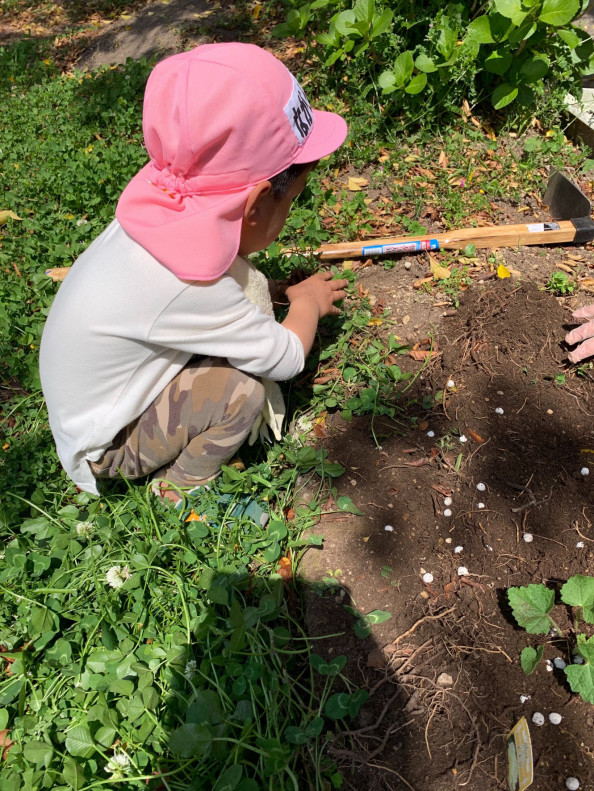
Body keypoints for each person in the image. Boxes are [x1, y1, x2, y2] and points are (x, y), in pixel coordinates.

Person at [39, 42, 348, 503]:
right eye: (292, 199)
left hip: (87, 405)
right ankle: (178, 490)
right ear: (258, 204)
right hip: (107, 444)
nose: (292, 211)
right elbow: (285, 359)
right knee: (239, 392)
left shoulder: (163, 204)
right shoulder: (192, 283)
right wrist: (307, 305)